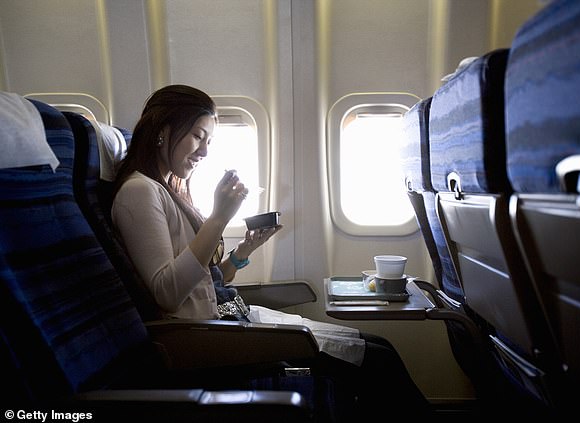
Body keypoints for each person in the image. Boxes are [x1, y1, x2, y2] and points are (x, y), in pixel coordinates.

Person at [111, 84, 432, 419]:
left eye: (209, 141)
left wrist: (244, 251)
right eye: (196, 136)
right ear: (163, 130)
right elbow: (167, 292)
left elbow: (205, 280)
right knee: (378, 360)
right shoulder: (139, 192)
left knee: (379, 346)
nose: (204, 152)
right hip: (203, 341)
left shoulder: (169, 190)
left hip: (226, 322)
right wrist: (220, 216)